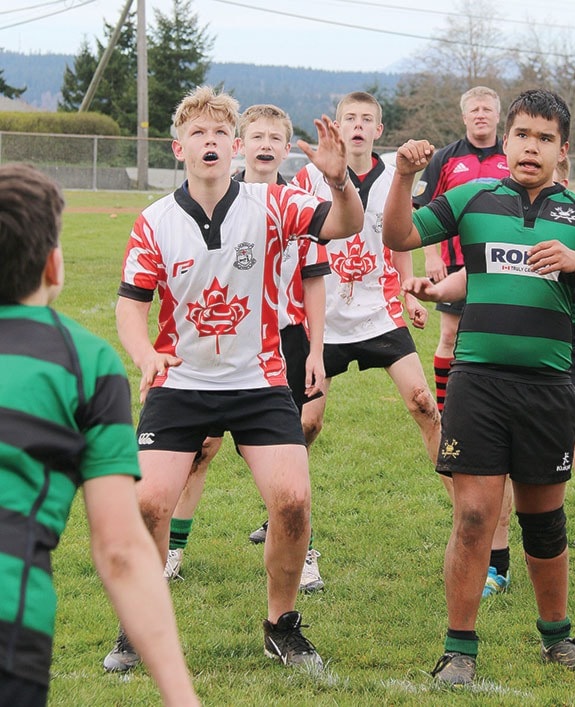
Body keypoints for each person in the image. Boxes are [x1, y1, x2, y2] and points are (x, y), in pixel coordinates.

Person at [102, 85, 364, 673]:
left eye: (221, 132)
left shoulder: (272, 205)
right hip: (181, 382)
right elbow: (129, 305)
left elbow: (344, 227)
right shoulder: (154, 222)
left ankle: (282, 625)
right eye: (199, 133)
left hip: (259, 381)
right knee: (147, 504)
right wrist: (146, 354)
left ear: (236, 145)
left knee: (293, 501)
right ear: (179, 148)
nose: (211, 141)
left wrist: (339, 180)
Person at [383, 89, 575, 685]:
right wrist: (402, 177)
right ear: (508, 139)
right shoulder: (470, 197)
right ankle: (458, 648)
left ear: (562, 150)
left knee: (544, 521)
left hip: (549, 386)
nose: (530, 147)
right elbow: (398, 236)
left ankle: (557, 638)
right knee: (473, 516)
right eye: (523, 135)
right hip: (478, 384)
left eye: (545, 139)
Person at [403, 153, 575, 608]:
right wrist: (438, 290)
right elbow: (486, 269)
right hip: (518, 358)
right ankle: (497, 565)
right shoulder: (510, 212)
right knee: (496, 468)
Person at [0, 163, 199, 707]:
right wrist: (182, 696)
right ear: (53, 265)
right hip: (11, 623)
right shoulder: (85, 364)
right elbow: (120, 551)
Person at [163, 104, 330, 594]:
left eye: (275, 137)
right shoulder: (215, 191)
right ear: (242, 143)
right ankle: (173, 547)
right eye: (256, 134)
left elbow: (313, 278)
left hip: (285, 338)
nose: (265, 144)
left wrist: (317, 349)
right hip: (222, 342)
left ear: (284, 146)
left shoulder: (299, 202)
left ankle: (304, 549)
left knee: (290, 449)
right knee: (201, 448)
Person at [293, 91, 442, 494]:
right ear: (337, 128)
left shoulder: (397, 173)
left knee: (423, 404)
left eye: (365, 119)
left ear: (378, 130)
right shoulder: (309, 178)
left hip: (379, 311)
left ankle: (465, 509)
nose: (357, 125)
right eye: (349, 118)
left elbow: (398, 238)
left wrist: (408, 294)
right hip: (326, 319)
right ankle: (284, 512)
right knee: (306, 424)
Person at [412, 86, 509, 415]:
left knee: (500, 333)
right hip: (455, 262)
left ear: (498, 115)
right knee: (451, 334)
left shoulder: (512, 156)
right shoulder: (446, 158)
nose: (480, 115)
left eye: (486, 109)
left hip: (504, 262)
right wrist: (431, 255)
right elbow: (424, 210)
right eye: (474, 110)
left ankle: (494, 405)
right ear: (464, 116)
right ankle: (446, 409)